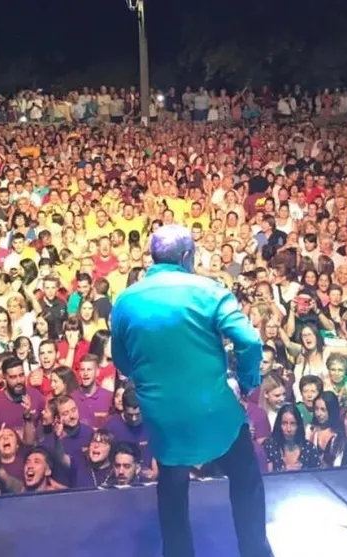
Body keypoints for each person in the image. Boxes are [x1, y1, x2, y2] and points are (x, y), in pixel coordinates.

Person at [111, 224, 273, 557]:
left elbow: (123, 363)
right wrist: (247, 381)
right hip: (214, 413)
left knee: (171, 489)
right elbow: (249, 341)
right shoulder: (209, 291)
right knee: (246, 478)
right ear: (187, 256)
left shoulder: (125, 301)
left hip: (163, 418)